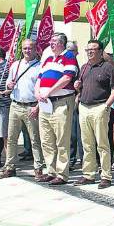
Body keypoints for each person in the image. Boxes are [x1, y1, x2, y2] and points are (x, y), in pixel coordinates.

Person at [74, 40, 114, 189]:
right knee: (87, 143)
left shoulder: (108, 67)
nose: (90, 52)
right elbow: (81, 89)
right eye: (88, 49)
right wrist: (78, 88)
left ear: (100, 51)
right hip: (84, 107)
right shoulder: (84, 67)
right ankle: (88, 174)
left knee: (102, 144)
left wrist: (106, 106)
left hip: (100, 107)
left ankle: (106, 176)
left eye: (93, 49)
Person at [36, 33, 79, 185]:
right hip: (45, 104)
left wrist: (49, 91)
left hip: (61, 102)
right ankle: (51, 170)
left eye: (54, 41)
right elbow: (39, 78)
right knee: (46, 140)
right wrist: (38, 92)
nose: (51, 43)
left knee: (62, 139)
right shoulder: (48, 59)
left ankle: (62, 174)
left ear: (61, 43)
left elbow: (67, 77)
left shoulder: (68, 56)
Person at [0, 39, 44, 179]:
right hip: (15, 105)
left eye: (30, 48)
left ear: (35, 49)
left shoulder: (40, 66)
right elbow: (8, 82)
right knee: (11, 138)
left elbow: (43, 88)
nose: (27, 51)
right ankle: (10, 166)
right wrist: (9, 85)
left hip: (31, 106)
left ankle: (38, 168)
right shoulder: (15, 65)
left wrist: (37, 106)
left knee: (35, 139)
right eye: (25, 48)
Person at [67, 41, 84, 169]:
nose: (77, 53)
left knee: (78, 134)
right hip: (63, 101)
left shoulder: (78, 66)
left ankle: (82, 159)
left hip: (75, 101)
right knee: (70, 135)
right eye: (74, 50)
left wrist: (78, 94)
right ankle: (70, 159)